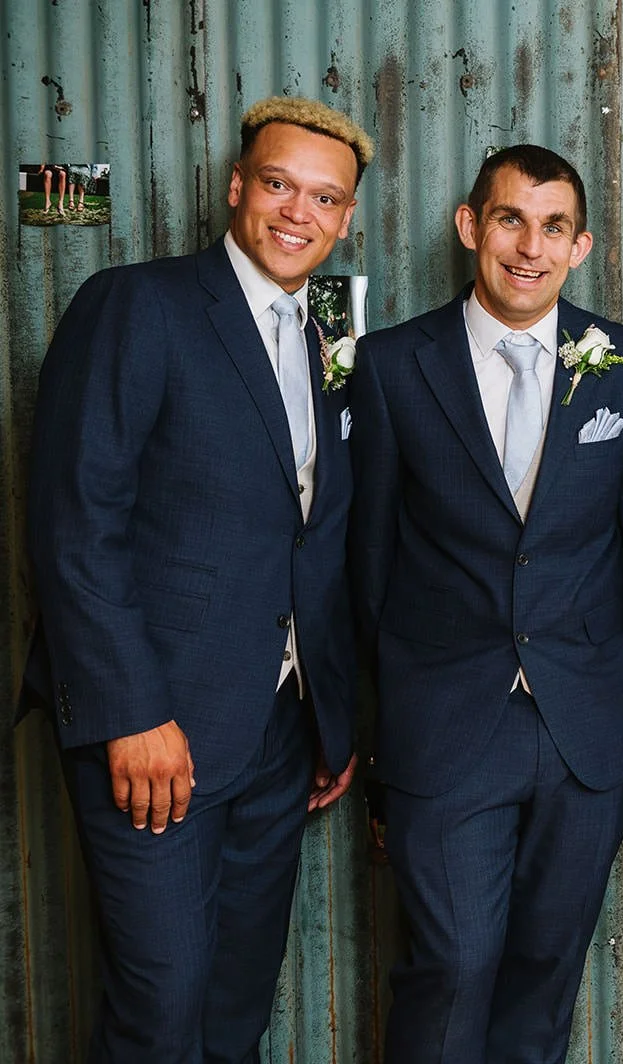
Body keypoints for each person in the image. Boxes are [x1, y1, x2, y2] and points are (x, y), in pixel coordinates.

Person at [25, 95, 370, 1062]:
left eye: (324, 198)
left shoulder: (324, 341)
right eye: (278, 184)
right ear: (235, 188)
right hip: (156, 733)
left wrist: (328, 711)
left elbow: (313, 536)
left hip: (279, 734)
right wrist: (130, 713)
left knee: (235, 1009)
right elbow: (75, 524)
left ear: (346, 219)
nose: (298, 212)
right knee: (161, 1014)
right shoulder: (139, 305)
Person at [347, 144, 623, 1063]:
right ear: (470, 226)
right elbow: (367, 561)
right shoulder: (392, 364)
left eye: (554, 227)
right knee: (450, 965)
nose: (531, 247)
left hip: (582, 727)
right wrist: (373, 731)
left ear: (581, 246)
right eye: (511, 219)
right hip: (444, 720)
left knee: (544, 975)